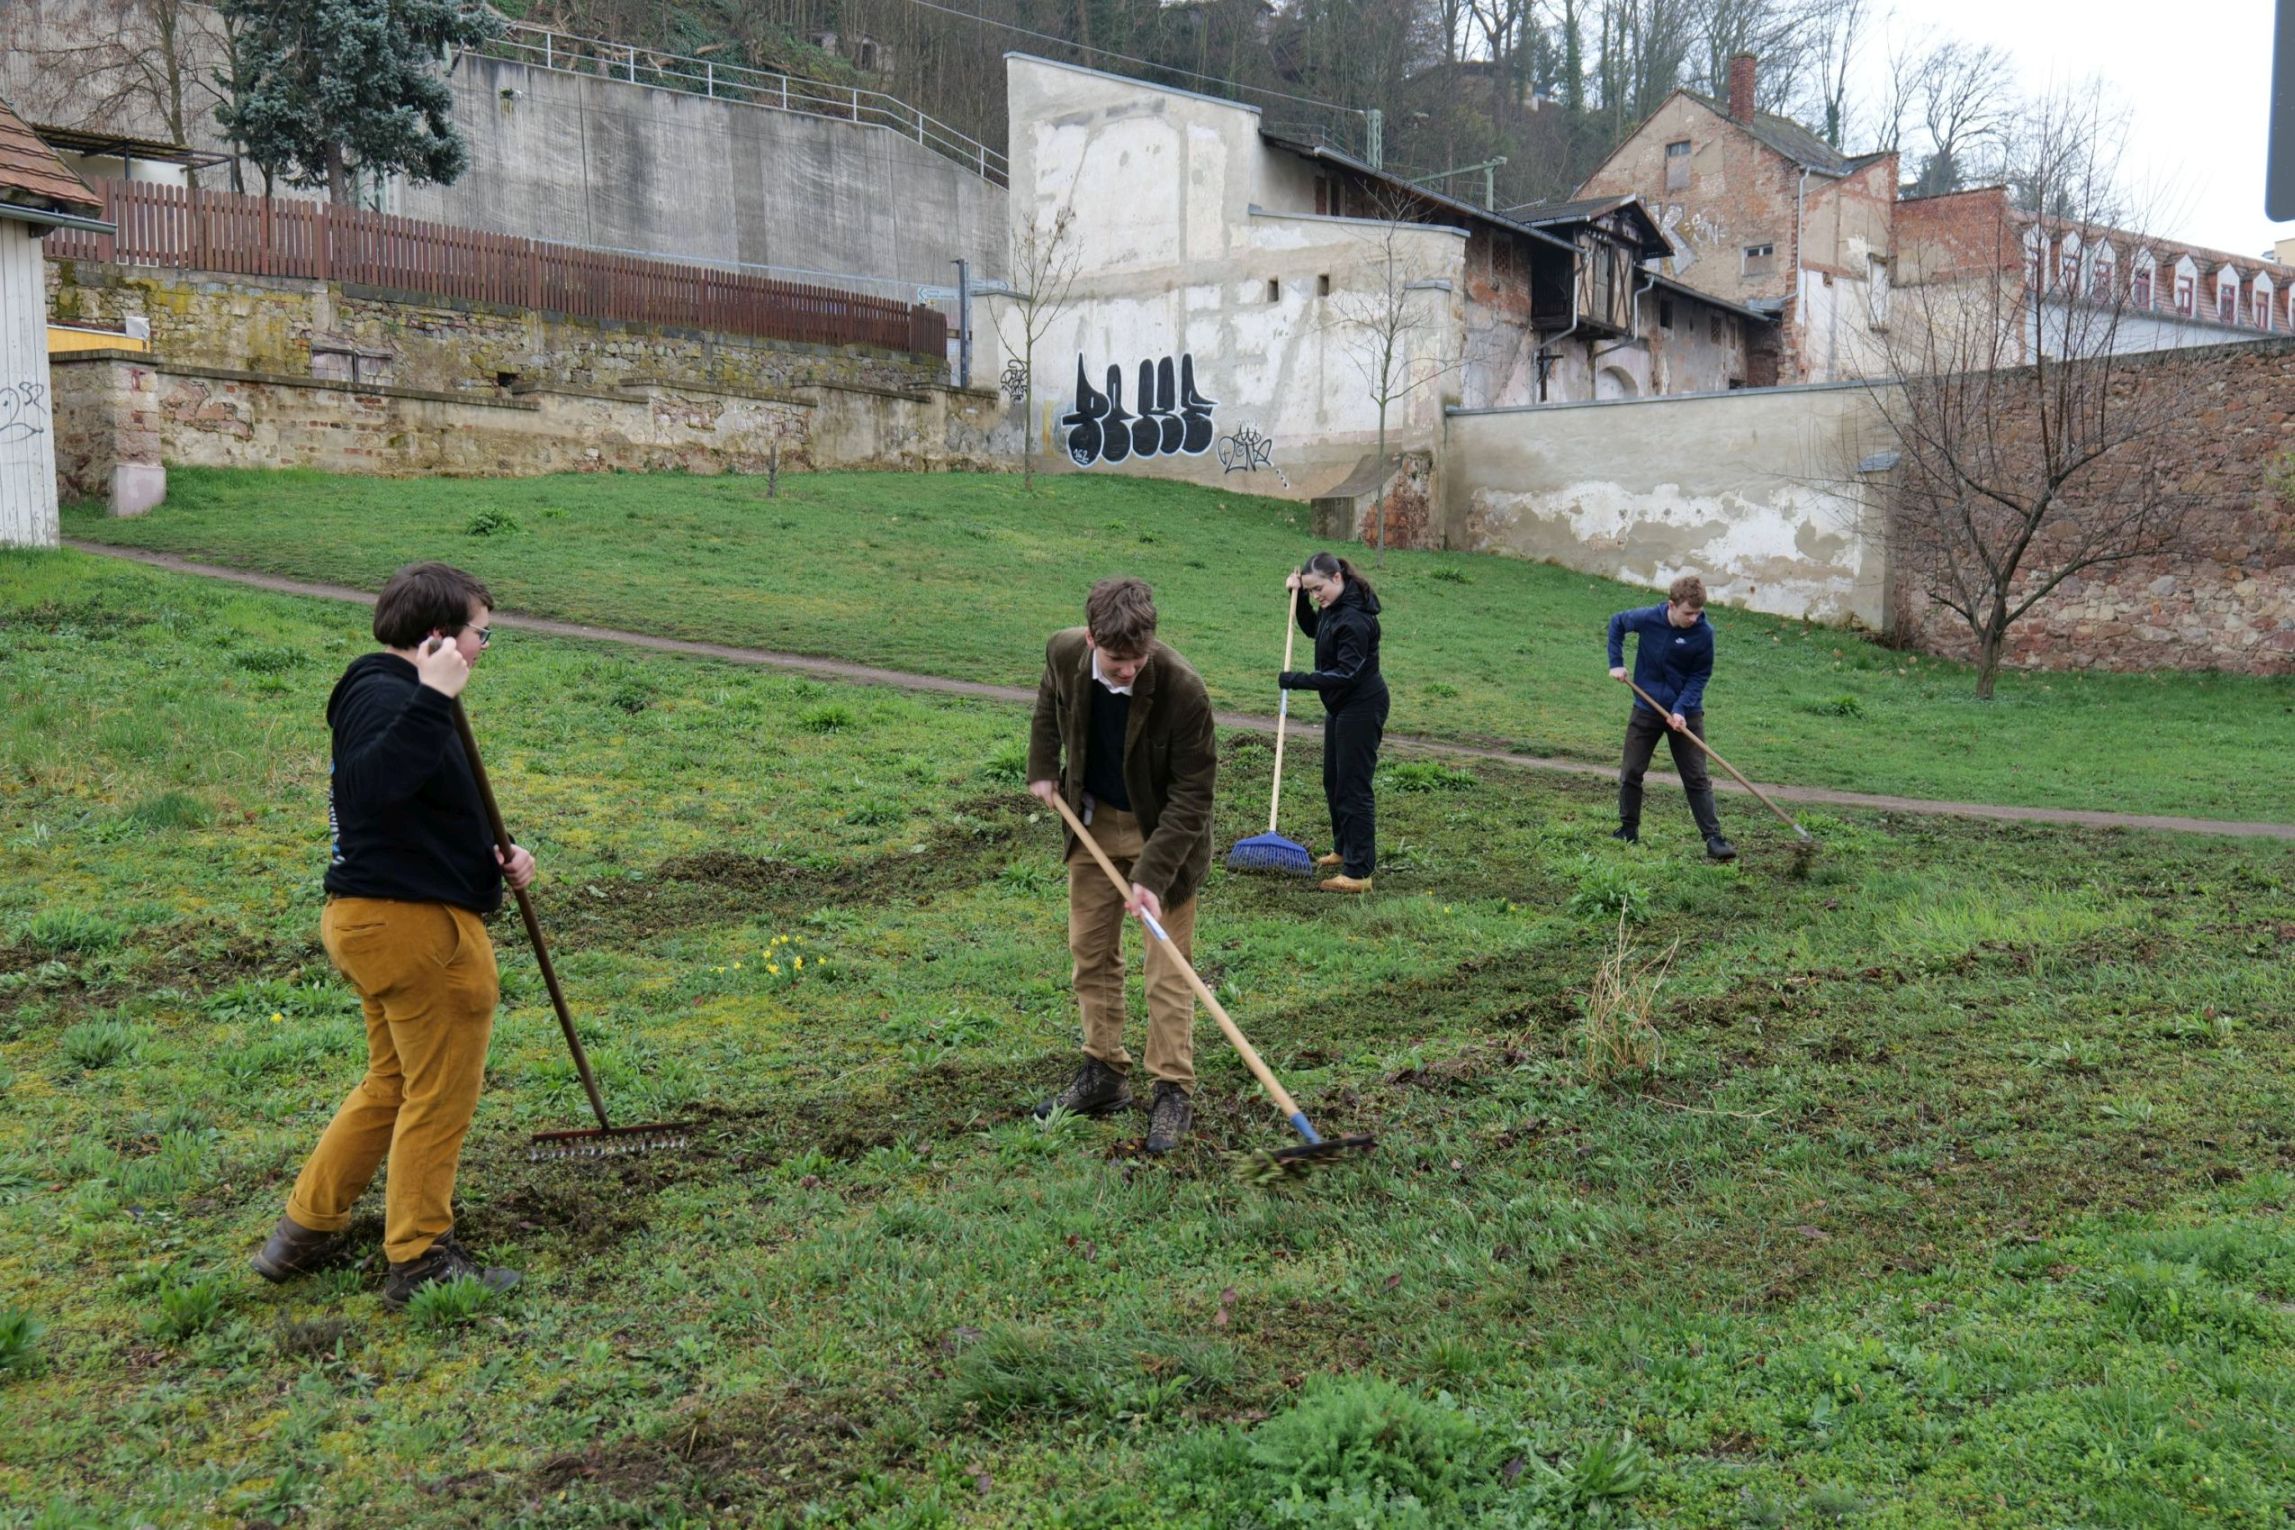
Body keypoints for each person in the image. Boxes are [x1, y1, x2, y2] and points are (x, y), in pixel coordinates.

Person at [252, 562, 534, 1308]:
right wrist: (435, 697)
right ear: (439, 635)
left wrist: (495, 853)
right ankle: (417, 1258)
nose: (483, 648)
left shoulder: (392, 696)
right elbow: (370, 791)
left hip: (377, 916)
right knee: (438, 1095)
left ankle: (302, 1231)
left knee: (393, 1083)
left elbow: (413, 808)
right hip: (415, 930)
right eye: (481, 633)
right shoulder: (390, 695)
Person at [1026, 577, 1219, 1155]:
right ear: (1090, 640)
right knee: (1090, 951)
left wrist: (1152, 878)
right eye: (1117, 660)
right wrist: (1042, 765)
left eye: (1139, 659)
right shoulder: (1063, 652)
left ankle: (1171, 1088)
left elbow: (1192, 797)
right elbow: (1046, 702)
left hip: (1162, 834)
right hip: (1090, 823)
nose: (1130, 670)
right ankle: (1104, 1072)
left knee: (1168, 968)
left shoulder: (1183, 689)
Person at [1607, 574, 1736, 862]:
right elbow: (1617, 623)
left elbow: (1699, 675)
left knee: (1696, 777)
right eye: (1688, 613)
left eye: (1698, 613)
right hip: (1646, 707)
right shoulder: (1648, 618)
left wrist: (1680, 708)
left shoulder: (1704, 634)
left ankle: (1714, 840)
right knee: (1631, 770)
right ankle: (1628, 829)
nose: (1694, 618)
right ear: (1671, 605)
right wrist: (1616, 663)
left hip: (1686, 713)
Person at [1280, 552, 1388, 894]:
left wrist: (1297, 679)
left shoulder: (1355, 619)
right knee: (1334, 780)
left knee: (1354, 786)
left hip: (1361, 705)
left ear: (1337, 578)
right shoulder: (1333, 608)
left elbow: (1346, 674)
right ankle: (1344, 849)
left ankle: (1359, 873)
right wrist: (1297, 600)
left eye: (1318, 589)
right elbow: (1314, 629)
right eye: (1311, 590)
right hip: (1341, 706)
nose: (1317, 597)